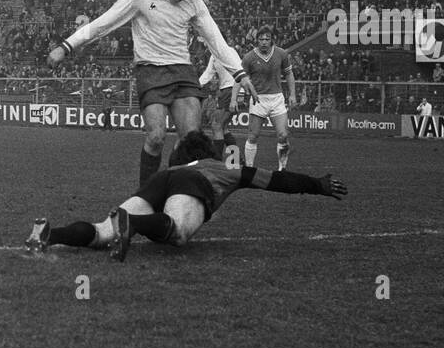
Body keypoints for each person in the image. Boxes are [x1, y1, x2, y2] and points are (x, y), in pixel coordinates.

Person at [48, 0, 255, 184]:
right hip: (151, 72)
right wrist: (65, 47)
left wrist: (240, 74)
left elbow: (215, 39)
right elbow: (102, 24)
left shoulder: (194, 1)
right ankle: (146, 197)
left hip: (182, 72)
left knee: (190, 140)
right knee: (156, 137)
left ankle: (175, 191)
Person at [25, 130, 347, 260]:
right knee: (177, 233)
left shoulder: (172, 167)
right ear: (209, 152)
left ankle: (50, 234)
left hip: (160, 180)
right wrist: (317, 185)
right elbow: (276, 179)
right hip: (194, 183)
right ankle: (132, 224)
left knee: (99, 232)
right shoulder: (223, 168)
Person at [240, 26, 296, 170]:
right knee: (253, 136)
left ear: (272, 40)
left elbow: (289, 74)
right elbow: (241, 78)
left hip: (277, 98)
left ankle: (282, 169)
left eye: (267, 39)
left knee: (283, 135)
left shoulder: (282, 54)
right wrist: (238, 96)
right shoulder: (249, 58)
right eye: (261, 39)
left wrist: (293, 94)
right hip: (258, 99)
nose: (264, 42)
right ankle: (249, 168)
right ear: (257, 40)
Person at [198, 52, 238, 158]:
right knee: (223, 127)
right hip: (225, 91)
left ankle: (217, 160)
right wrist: (197, 86)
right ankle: (236, 160)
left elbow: (241, 71)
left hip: (231, 90)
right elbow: (208, 73)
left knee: (216, 125)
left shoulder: (229, 51)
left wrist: (239, 93)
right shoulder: (214, 54)